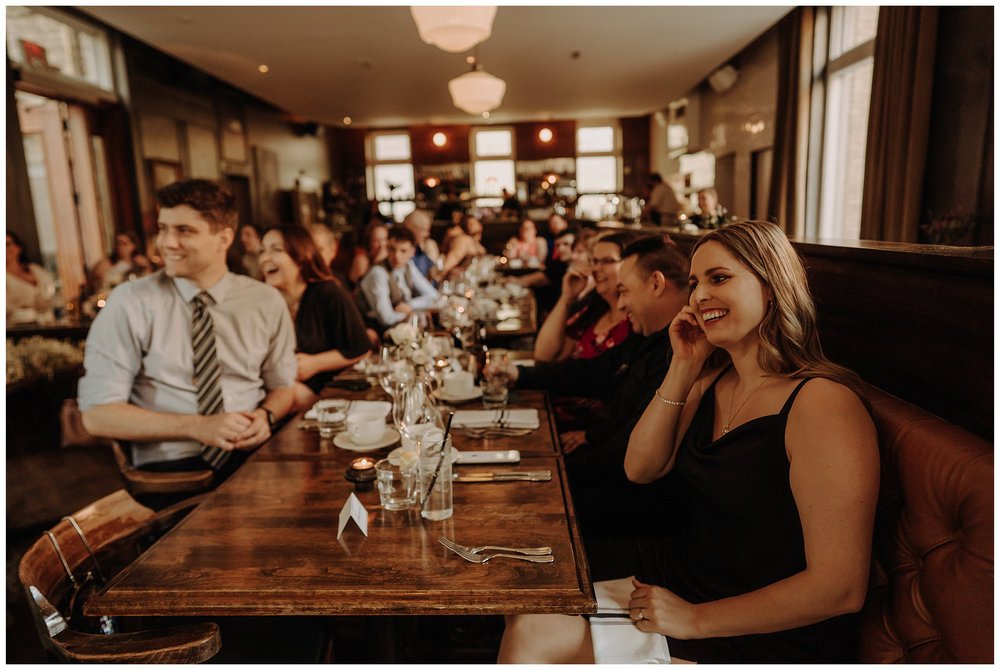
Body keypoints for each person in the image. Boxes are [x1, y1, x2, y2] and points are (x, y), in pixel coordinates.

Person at [498, 220, 879, 664]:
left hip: (760, 625)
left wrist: (695, 620)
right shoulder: (713, 379)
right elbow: (640, 468)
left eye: (720, 279)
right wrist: (684, 365)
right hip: (687, 577)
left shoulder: (822, 403)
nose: (698, 297)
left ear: (772, 287)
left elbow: (840, 589)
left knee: (534, 633)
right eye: (696, 283)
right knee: (525, 594)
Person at [489, 235, 690, 578]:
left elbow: (625, 452)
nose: (622, 304)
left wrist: (558, 474)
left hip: (636, 506)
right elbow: (592, 372)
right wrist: (520, 375)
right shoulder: (648, 337)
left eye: (625, 290)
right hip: (606, 472)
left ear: (656, 284)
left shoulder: (681, 352)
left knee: (517, 506)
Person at [78, 179, 296, 481]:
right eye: (163, 228)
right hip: (171, 471)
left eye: (184, 231)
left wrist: (266, 415)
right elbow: (97, 415)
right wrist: (198, 426)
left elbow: (282, 387)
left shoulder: (265, 300)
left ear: (224, 238)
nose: (166, 243)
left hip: (256, 458)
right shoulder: (131, 302)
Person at [259, 226, 371, 411]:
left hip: (327, 398)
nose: (265, 258)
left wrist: (315, 363)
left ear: (302, 257)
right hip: (275, 394)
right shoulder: (261, 301)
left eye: (276, 250)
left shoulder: (327, 292)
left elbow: (361, 347)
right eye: (261, 251)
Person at [533, 230, 641, 363]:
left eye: (607, 261)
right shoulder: (593, 309)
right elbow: (543, 354)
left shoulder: (636, 322)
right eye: (594, 261)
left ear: (632, 265)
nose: (596, 269)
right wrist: (566, 298)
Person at [356, 226, 439, 332]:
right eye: (392, 249)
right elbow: (386, 319)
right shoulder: (378, 273)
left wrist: (410, 305)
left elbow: (434, 296)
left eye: (403, 251)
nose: (397, 256)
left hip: (403, 329)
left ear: (412, 252)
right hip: (378, 332)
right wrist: (414, 316)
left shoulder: (408, 265)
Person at [6, 231, 56, 322]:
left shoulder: (35, 269)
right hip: (19, 328)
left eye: (7, 244)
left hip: (48, 322)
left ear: (18, 247)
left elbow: (50, 291)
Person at [348, 219, 389, 286]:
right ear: (369, 242)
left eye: (384, 239)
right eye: (376, 240)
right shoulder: (361, 259)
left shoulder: (389, 257)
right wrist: (377, 262)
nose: (381, 245)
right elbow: (362, 288)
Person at [402, 209, 440, 278]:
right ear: (410, 228)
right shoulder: (399, 253)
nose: (427, 234)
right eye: (424, 230)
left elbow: (433, 273)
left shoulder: (419, 249)